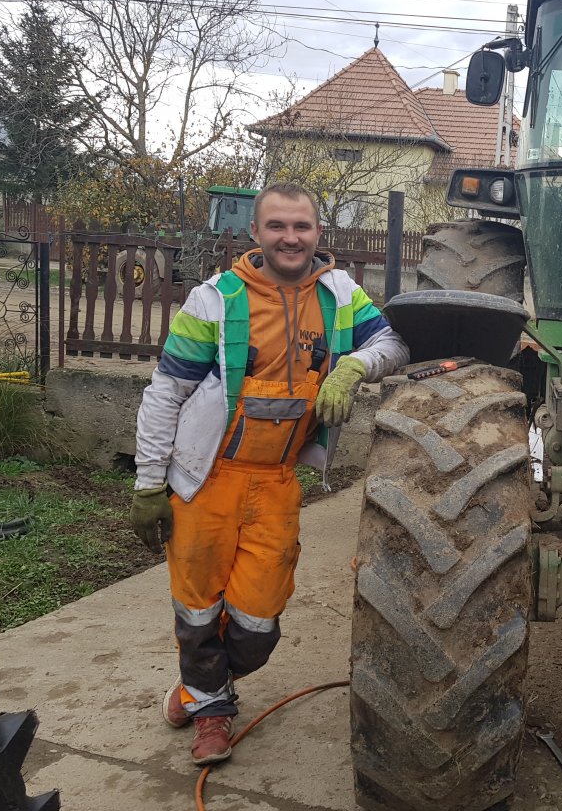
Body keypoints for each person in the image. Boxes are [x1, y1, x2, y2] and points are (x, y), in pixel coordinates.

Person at [129, 181, 409, 765]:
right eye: (277, 226)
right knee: (199, 607)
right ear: (256, 233)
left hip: (277, 481)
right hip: (207, 479)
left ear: (317, 234)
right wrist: (149, 482)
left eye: (301, 227)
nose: (290, 237)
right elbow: (165, 394)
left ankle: (195, 688)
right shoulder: (215, 300)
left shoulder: (340, 294)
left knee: (258, 627)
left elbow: (394, 343)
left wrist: (355, 364)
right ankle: (212, 715)